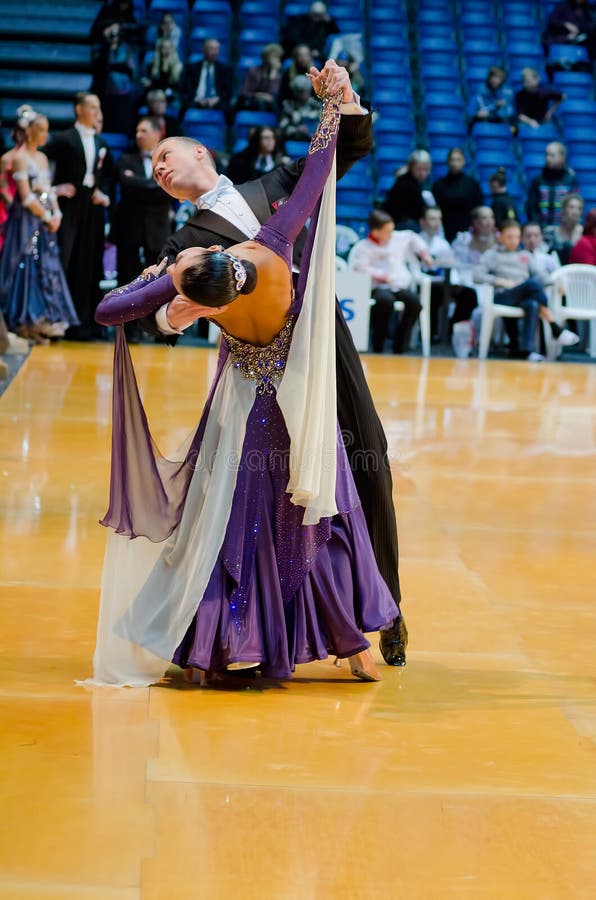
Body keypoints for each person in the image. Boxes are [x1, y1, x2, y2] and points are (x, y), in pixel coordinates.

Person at [89, 65, 399, 687]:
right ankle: (319, 628)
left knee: (367, 458)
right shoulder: (185, 242)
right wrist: (176, 317)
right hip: (256, 369)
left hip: (318, 340)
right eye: (155, 171)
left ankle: (383, 612)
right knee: (282, 498)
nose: (162, 168)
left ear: (201, 153)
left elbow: (339, 157)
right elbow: (150, 319)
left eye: (168, 157)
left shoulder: (269, 187)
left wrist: (345, 99)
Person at [0, 112, 79, 343]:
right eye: (42, 129)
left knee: (45, 264)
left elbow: (46, 189)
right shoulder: (20, 158)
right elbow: (25, 197)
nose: (46, 134)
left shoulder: (42, 158)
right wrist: (46, 215)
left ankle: (42, 318)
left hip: (43, 219)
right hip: (26, 219)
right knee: (24, 263)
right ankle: (23, 320)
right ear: (31, 131)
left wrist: (57, 213)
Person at [43, 93, 113, 340]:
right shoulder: (64, 138)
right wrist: (53, 188)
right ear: (78, 109)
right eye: (93, 106)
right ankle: (56, 320)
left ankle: (86, 322)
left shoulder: (101, 140)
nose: (97, 111)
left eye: (98, 106)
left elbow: (107, 175)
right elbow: (39, 159)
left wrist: (101, 191)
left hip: (91, 208)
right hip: (69, 205)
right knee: (66, 258)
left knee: (90, 262)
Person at [473, 220, 580, 360]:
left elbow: (541, 275)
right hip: (503, 295)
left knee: (532, 303)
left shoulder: (524, 255)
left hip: (523, 295)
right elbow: (477, 275)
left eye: (516, 237)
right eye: (509, 237)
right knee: (531, 285)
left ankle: (526, 351)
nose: (513, 241)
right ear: (500, 236)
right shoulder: (492, 255)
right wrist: (501, 282)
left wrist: (555, 283)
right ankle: (555, 328)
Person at [111, 116, 172, 341]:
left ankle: (159, 329)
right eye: (137, 131)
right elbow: (127, 185)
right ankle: (129, 329)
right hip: (130, 227)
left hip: (157, 229)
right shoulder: (126, 159)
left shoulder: (169, 162)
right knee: (127, 277)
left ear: (157, 134)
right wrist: (154, 185)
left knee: (159, 280)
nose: (139, 135)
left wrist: (141, 184)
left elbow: (168, 191)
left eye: (144, 131)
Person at [349, 209, 428, 353]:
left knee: (415, 302)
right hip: (377, 287)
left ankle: (401, 344)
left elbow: (413, 238)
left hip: (398, 285)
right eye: (387, 231)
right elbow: (360, 270)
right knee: (385, 302)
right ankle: (378, 344)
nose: (390, 235)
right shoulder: (363, 248)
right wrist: (381, 276)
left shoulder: (397, 238)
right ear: (375, 231)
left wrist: (424, 254)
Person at [418, 206, 478, 339]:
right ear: (422, 221)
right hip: (424, 284)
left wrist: (455, 283)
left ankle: (452, 329)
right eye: (432, 218)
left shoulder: (443, 243)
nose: (437, 222)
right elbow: (415, 272)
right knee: (435, 292)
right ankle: (430, 334)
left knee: (469, 294)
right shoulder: (415, 241)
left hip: (444, 282)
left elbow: (451, 267)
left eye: (439, 219)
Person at [91, 21, 139, 134]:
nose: (114, 36)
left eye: (117, 32)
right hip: (104, 90)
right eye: (111, 32)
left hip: (122, 90)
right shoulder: (101, 48)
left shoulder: (127, 49)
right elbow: (98, 65)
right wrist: (107, 44)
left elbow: (132, 69)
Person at [432, 147, 484, 242]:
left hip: (467, 232)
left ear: (463, 161)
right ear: (447, 162)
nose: (455, 163)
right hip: (444, 231)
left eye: (458, 160)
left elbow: (478, 208)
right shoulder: (438, 185)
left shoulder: (472, 184)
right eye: (452, 160)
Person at [526, 141, 579, 228]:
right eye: (546, 155)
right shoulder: (537, 181)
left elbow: (575, 207)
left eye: (552, 155)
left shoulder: (571, 180)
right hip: (542, 230)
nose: (548, 158)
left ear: (562, 157)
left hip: (563, 230)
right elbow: (531, 208)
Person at [0, 105, 31, 254]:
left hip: (29, 206)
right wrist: (14, 208)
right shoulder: (7, 158)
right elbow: (3, 187)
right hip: (10, 207)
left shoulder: (36, 158)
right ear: (17, 134)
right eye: (23, 132)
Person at [181, 39, 232, 118]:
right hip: (196, 101)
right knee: (183, 108)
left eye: (217, 49)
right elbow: (185, 89)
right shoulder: (191, 68)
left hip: (216, 102)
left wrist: (216, 99)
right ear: (204, 50)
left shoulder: (224, 70)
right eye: (211, 49)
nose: (215, 52)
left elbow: (228, 92)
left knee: (229, 109)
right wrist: (198, 100)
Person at [384, 149, 433, 230]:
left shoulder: (412, 181)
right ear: (410, 167)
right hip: (402, 226)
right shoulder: (407, 184)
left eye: (426, 169)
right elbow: (419, 212)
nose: (422, 173)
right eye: (418, 169)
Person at [236, 43, 284, 114]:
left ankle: (269, 123)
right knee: (261, 102)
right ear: (266, 57)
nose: (276, 61)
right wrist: (259, 95)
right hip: (252, 101)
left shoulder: (278, 75)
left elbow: (273, 94)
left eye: (278, 58)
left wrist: (273, 74)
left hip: (270, 105)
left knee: (273, 104)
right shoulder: (254, 71)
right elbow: (244, 92)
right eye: (274, 57)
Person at [543, 192, 584, 264]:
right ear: (563, 210)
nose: (575, 212)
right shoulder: (549, 233)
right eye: (572, 207)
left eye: (579, 208)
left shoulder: (585, 233)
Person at [279, 75, 321, 142]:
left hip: (315, 141)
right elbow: (282, 127)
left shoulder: (316, 106)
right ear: (295, 92)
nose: (304, 94)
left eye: (306, 90)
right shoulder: (288, 106)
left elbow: (324, 126)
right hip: (295, 140)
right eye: (301, 91)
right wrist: (297, 129)